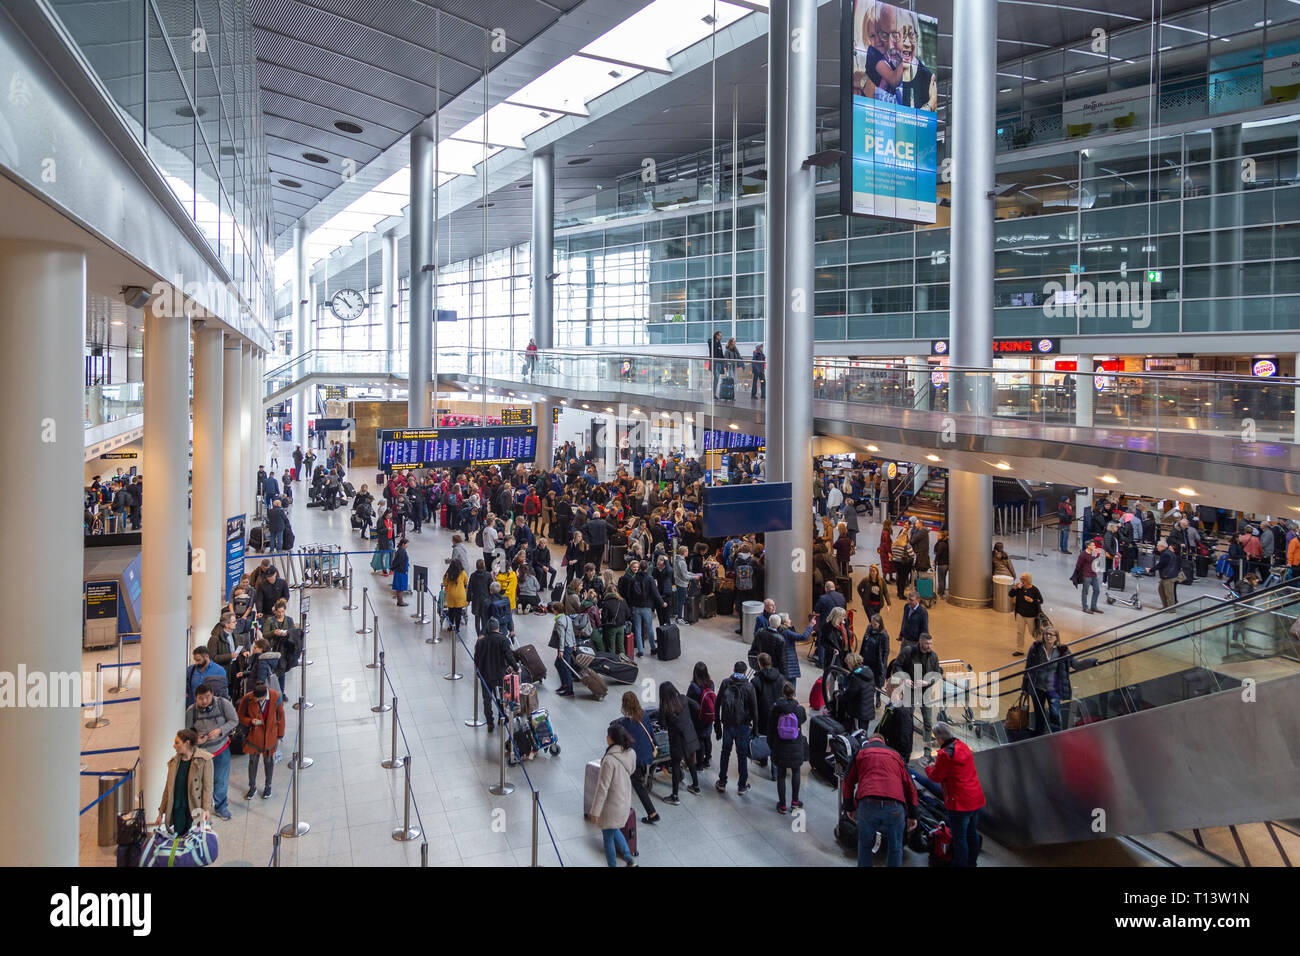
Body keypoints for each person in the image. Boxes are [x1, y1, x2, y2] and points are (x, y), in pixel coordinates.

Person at [842, 731, 918, 867]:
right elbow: (910, 786)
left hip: (868, 804)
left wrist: (849, 807)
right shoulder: (895, 755)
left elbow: (847, 781)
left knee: (865, 846)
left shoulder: (861, 752)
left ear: (870, 741)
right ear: (883, 742)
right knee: (895, 848)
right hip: (894, 806)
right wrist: (913, 814)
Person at [923, 722, 986, 867]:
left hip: (959, 803)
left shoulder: (945, 755)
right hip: (975, 799)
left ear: (939, 738)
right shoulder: (962, 746)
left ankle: (960, 863)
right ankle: (972, 862)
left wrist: (928, 768)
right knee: (972, 834)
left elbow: (937, 777)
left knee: (959, 838)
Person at [587, 722, 639, 867]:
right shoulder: (631, 753)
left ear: (612, 738)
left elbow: (602, 788)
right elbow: (632, 770)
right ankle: (629, 858)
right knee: (613, 829)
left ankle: (612, 865)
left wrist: (595, 811)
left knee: (608, 836)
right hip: (624, 800)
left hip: (611, 805)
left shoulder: (609, 760)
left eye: (608, 735)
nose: (606, 737)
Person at [185, 685, 237, 821]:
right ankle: (203, 808)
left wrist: (220, 730)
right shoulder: (191, 711)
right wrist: (196, 739)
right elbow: (187, 732)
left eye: (207, 697)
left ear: (212, 694)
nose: (204, 701)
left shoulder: (222, 704)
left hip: (221, 750)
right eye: (200, 698)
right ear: (195, 698)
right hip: (202, 753)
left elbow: (234, 720)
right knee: (203, 782)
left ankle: (220, 807)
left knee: (220, 780)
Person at [153, 729, 213, 835]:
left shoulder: (204, 760)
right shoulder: (174, 763)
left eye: (177, 743)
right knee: (179, 839)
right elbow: (168, 789)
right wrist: (161, 812)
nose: (174, 746)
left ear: (187, 743)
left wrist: (206, 809)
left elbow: (207, 787)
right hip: (178, 808)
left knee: (194, 839)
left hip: (194, 808)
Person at [714, 661, 758, 794]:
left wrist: (717, 724)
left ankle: (722, 781)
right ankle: (742, 785)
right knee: (742, 755)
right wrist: (755, 729)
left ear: (734, 670)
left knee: (725, 753)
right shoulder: (749, 687)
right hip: (743, 725)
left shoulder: (726, 683)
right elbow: (754, 710)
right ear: (745, 672)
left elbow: (717, 704)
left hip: (727, 724)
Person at [892, 632, 939, 756]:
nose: (929, 646)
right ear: (920, 642)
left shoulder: (933, 656)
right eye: (926, 643)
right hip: (910, 692)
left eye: (930, 643)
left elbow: (937, 674)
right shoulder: (908, 651)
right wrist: (905, 679)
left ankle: (927, 753)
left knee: (928, 723)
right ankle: (906, 750)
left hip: (925, 693)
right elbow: (896, 666)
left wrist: (927, 682)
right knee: (907, 722)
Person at [617, 693, 661, 825]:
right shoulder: (644, 715)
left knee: (636, 784)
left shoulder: (625, 723)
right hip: (648, 754)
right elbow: (651, 734)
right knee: (635, 781)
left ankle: (652, 813)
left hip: (636, 759)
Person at [236, 680, 284, 800]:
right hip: (254, 737)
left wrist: (280, 735)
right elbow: (240, 716)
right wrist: (249, 721)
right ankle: (252, 787)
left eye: (260, 699)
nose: (257, 701)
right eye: (256, 699)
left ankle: (268, 786)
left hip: (270, 736)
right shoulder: (248, 698)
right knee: (253, 762)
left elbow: (281, 716)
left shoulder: (275, 696)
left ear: (265, 695)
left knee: (269, 761)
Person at [1023, 626, 1073, 735]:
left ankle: (1056, 735)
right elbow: (1028, 668)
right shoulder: (1036, 649)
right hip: (1038, 687)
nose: (1048, 636)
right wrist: (1025, 688)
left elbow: (1075, 663)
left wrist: (1093, 662)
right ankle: (1039, 735)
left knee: (1054, 714)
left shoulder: (1062, 651)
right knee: (1039, 714)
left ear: (1056, 637)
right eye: (1046, 634)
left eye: (1051, 634)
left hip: (1053, 689)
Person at [657, 682, 701, 804]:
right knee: (690, 761)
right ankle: (696, 786)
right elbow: (697, 707)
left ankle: (675, 796)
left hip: (676, 741)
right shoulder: (683, 698)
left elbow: (662, 724)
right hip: (689, 736)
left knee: (676, 766)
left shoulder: (665, 708)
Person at [768, 681, 806, 814]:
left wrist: (771, 744)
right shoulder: (799, 709)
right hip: (795, 746)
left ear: (782, 693)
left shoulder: (776, 709)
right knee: (796, 772)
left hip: (780, 746)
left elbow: (771, 727)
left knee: (781, 775)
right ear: (794, 693)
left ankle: (782, 804)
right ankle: (795, 801)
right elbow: (803, 720)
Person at [473, 619, 517, 730]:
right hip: (500, 674)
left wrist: (479, 670)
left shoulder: (481, 642)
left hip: (485, 675)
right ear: (497, 628)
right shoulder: (503, 640)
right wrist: (516, 667)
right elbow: (509, 656)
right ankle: (502, 716)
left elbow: (476, 658)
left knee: (487, 699)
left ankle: (489, 722)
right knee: (501, 697)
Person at [687, 662, 716, 770]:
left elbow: (688, 700)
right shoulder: (711, 684)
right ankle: (707, 760)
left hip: (698, 718)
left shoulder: (694, 686)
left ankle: (699, 765)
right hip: (709, 716)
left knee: (699, 740)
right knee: (707, 738)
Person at [1008, 572, 1043, 656]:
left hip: (1031, 616)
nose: (1022, 581)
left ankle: (1041, 647)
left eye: (1024, 579)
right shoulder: (1020, 588)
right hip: (1020, 614)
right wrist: (1014, 588)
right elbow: (1010, 594)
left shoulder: (1034, 589)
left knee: (1033, 632)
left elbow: (1040, 600)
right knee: (1020, 632)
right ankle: (1019, 649)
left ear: (1028, 580)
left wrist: (1032, 600)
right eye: (1021, 579)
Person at [549, 602, 578, 697]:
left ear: (556, 611)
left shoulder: (559, 621)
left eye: (553, 609)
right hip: (569, 645)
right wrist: (574, 643)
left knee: (566, 668)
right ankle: (564, 684)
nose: (552, 611)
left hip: (565, 647)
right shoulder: (567, 618)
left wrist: (561, 650)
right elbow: (571, 631)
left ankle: (569, 690)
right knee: (558, 664)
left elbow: (562, 637)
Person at [1074, 539, 1102, 614]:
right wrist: (1082, 573)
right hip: (1087, 575)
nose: (1095, 546)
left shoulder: (1094, 552)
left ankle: (1093, 606)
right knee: (1085, 591)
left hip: (1094, 574)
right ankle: (1085, 607)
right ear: (1088, 546)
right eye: (1093, 545)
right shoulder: (1083, 555)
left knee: (1097, 590)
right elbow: (1078, 566)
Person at [442, 559, 469, 636]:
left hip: (451, 595)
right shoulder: (462, 572)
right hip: (460, 595)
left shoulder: (449, 573)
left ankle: (451, 626)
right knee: (458, 612)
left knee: (451, 612)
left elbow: (444, 583)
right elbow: (466, 581)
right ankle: (457, 628)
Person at [468, 558, 492, 636]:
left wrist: (468, 599)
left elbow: (470, 588)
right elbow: (491, 587)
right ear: (483, 565)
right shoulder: (488, 575)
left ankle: (479, 635)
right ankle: (484, 634)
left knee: (477, 619)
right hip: (486, 599)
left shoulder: (473, 576)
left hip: (476, 600)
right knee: (485, 618)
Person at [1155, 538, 1179, 608]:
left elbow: (1161, 564)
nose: (1157, 547)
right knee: (1161, 590)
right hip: (1167, 575)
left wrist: (1151, 569)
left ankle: (1171, 609)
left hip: (1168, 576)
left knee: (1169, 593)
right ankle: (1165, 606)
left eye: (1158, 546)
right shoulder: (1167, 553)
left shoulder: (1166, 554)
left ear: (1162, 547)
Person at [391, 538, 410, 606]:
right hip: (401, 572)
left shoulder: (401, 550)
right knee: (400, 588)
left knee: (399, 587)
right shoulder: (402, 551)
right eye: (407, 544)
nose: (407, 545)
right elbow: (399, 562)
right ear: (403, 544)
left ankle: (399, 601)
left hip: (399, 571)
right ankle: (400, 602)